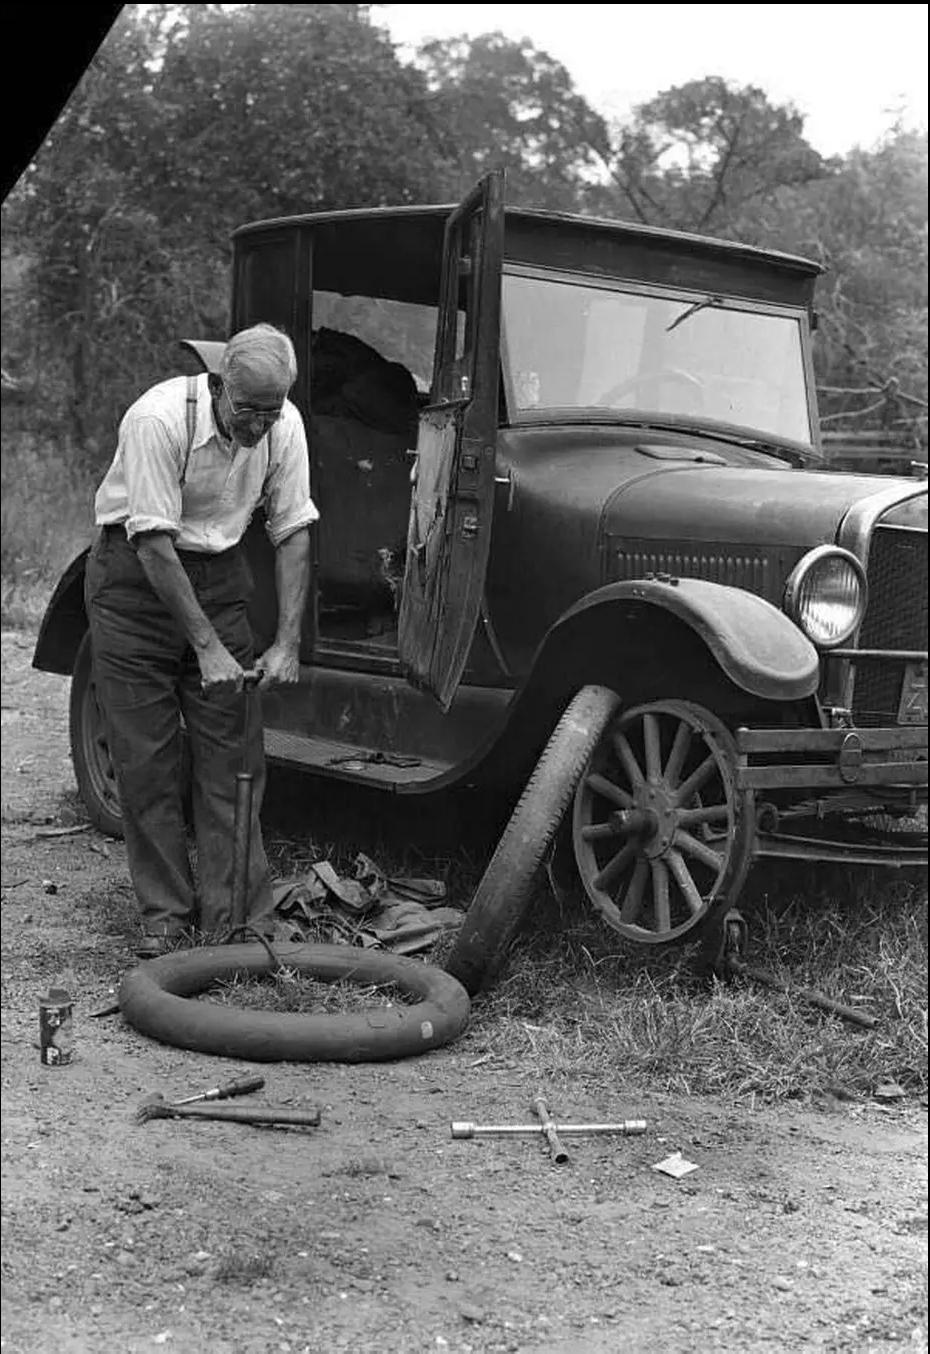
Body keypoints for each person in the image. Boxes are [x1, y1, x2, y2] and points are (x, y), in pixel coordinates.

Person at [86, 323, 318, 958]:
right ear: (219, 385)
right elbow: (154, 544)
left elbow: (293, 529)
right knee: (147, 760)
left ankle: (238, 919)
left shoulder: (283, 425)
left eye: (270, 413)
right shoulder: (158, 419)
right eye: (247, 411)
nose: (258, 427)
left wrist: (287, 642)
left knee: (236, 758)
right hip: (135, 583)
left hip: (219, 576)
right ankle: (166, 916)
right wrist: (208, 649)